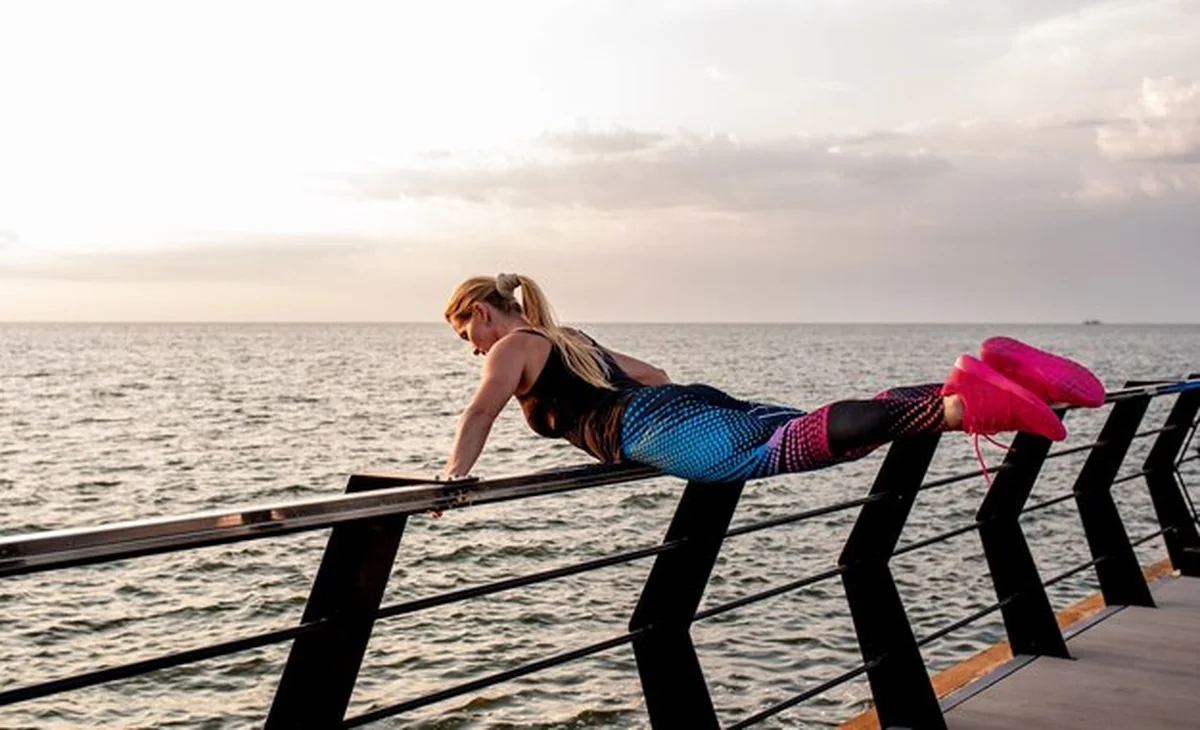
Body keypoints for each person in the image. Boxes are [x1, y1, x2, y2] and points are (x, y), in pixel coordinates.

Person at [441, 274, 1105, 485]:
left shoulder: (513, 347)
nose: (473, 351)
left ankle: (962, 409)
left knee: (789, 448)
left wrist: (452, 478)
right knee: (812, 432)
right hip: (681, 407)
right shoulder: (567, 338)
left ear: (482, 313)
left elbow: (480, 414)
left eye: (465, 334)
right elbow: (655, 375)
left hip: (654, 427)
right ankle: (973, 387)